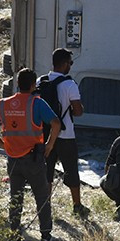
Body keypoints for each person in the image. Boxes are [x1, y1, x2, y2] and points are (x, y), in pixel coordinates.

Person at [0, 68, 61, 241]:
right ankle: (46, 236)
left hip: (13, 158)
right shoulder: (37, 103)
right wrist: (50, 145)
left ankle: (14, 234)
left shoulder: (3, 104)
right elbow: (56, 123)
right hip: (34, 159)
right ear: (33, 85)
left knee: (15, 197)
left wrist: (0, 143)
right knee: (41, 197)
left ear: (18, 84)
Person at [39, 48, 88, 219]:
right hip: (65, 135)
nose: (71, 66)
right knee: (71, 170)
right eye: (71, 63)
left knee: (47, 171)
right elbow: (78, 111)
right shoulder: (69, 84)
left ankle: (46, 204)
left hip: (44, 133)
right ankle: (77, 205)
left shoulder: (40, 81)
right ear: (65, 63)